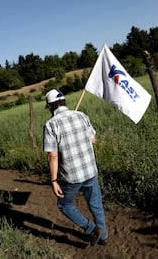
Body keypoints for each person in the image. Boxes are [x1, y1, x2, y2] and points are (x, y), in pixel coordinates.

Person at [43, 89, 108, 246]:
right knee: (95, 203)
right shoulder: (81, 116)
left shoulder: (51, 124)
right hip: (90, 170)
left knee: (64, 204)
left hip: (71, 176)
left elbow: (53, 156)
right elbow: (93, 140)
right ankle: (104, 236)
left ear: (50, 107)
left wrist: (53, 180)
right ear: (64, 102)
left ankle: (91, 229)